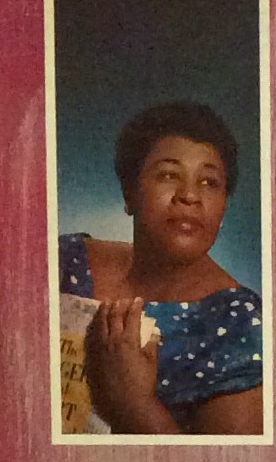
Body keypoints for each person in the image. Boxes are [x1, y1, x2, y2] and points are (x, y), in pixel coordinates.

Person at [59, 101, 263, 435]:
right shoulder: (68, 260)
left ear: (224, 205)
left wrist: (133, 404)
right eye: (168, 175)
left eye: (209, 182)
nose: (189, 196)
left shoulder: (239, 325)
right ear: (130, 193)